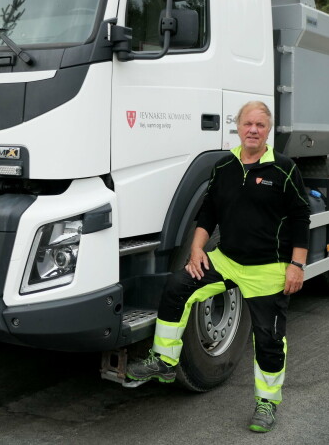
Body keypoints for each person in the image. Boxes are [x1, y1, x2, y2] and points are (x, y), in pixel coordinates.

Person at [126, 100, 311, 433]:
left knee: (269, 339)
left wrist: (297, 264)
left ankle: (267, 402)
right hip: (226, 261)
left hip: (268, 268)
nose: (253, 130)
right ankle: (165, 362)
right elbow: (208, 213)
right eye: (247, 124)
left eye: (260, 125)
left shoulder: (284, 169)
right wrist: (196, 249)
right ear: (237, 127)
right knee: (177, 287)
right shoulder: (224, 167)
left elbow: (300, 218)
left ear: (268, 131)